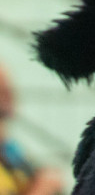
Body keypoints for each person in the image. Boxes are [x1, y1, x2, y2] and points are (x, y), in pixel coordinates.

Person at [0, 67, 61, 195]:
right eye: (3, 91)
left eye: (8, 90)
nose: (9, 99)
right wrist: (42, 189)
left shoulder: (11, 151)